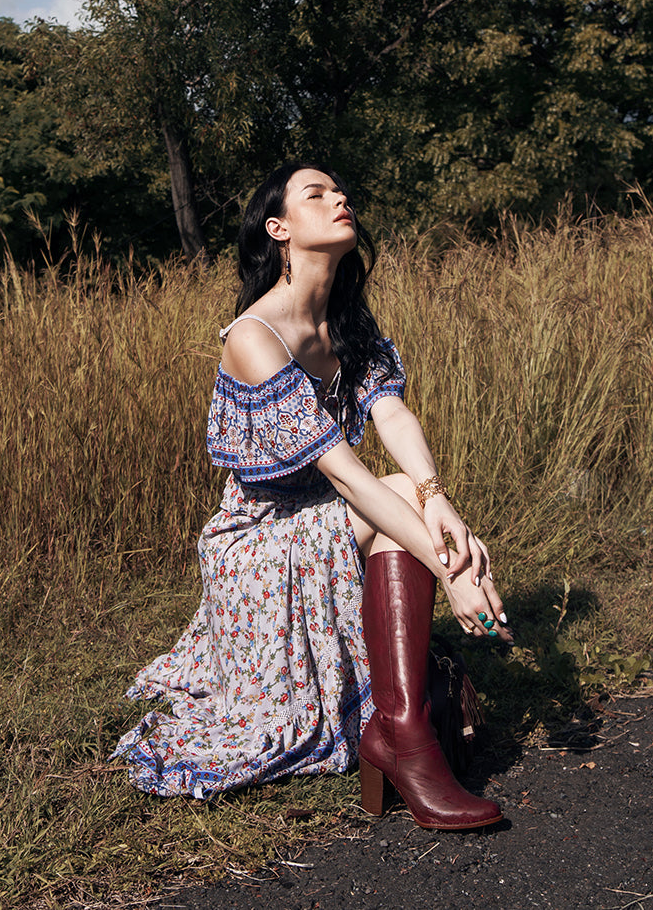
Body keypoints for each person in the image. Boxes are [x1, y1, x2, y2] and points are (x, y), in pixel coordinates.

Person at [112, 163, 512, 829]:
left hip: (327, 520)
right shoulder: (253, 336)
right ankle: (404, 738)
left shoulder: (346, 321)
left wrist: (440, 501)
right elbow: (349, 476)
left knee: (407, 488)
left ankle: (400, 731)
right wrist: (453, 574)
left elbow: (392, 417)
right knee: (387, 491)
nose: (340, 199)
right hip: (255, 543)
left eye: (340, 190)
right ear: (279, 229)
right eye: (316, 194)